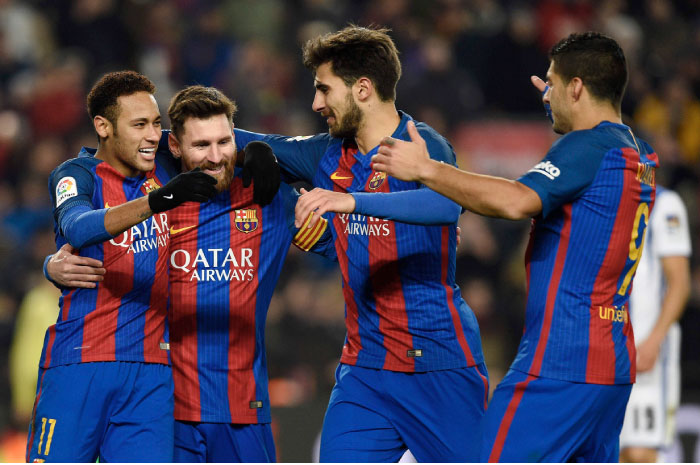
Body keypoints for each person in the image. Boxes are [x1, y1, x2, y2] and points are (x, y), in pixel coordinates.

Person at [372, 31, 658, 462]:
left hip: (560, 360)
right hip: (611, 362)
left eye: (553, 83)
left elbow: (514, 200)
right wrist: (562, 113)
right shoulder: (640, 154)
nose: (546, 93)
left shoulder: (586, 147)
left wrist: (428, 169)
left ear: (576, 87)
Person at [234, 25, 488, 462]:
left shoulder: (423, 145)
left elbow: (446, 207)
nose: (316, 103)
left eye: (324, 89)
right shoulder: (326, 154)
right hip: (365, 371)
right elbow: (241, 142)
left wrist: (349, 201)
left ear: (363, 89)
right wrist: (159, 136)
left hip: (439, 364)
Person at [46, 84, 334, 462]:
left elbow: (346, 248)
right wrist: (51, 264)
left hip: (244, 408)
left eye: (225, 143)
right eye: (201, 146)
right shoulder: (154, 194)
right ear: (177, 148)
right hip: (164, 411)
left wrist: (262, 150)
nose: (215, 157)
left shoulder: (269, 198)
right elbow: (88, 226)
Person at [27, 71, 218, 462]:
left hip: (151, 373)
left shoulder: (162, 163)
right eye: (139, 125)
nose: (153, 135)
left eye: (156, 124)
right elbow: (78, 227)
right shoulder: (77, 175)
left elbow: (216, 134)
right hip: (80, 362)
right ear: (103, 127)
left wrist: (264, 151)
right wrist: (159, 200)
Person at [619, 187, 691, 463]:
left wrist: (653, 340)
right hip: (608, 349)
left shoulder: (664, 203)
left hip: (647, 350)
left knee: (640, 452)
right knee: (612, 450)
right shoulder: (602, 199)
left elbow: (679, 283)